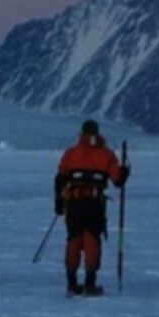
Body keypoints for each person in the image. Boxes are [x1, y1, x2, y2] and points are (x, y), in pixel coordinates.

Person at [54, 119, 129, 296]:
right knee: (91, 240)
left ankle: (71, 284)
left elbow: (60, 179)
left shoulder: (71, 153)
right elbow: (117, 181)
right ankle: (90, 283)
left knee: (74, 239)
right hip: (95, 204)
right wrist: (125, 171)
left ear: (82, 133)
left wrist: (58, 203)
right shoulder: (107, 154)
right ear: (97, 133)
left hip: (74, 203)